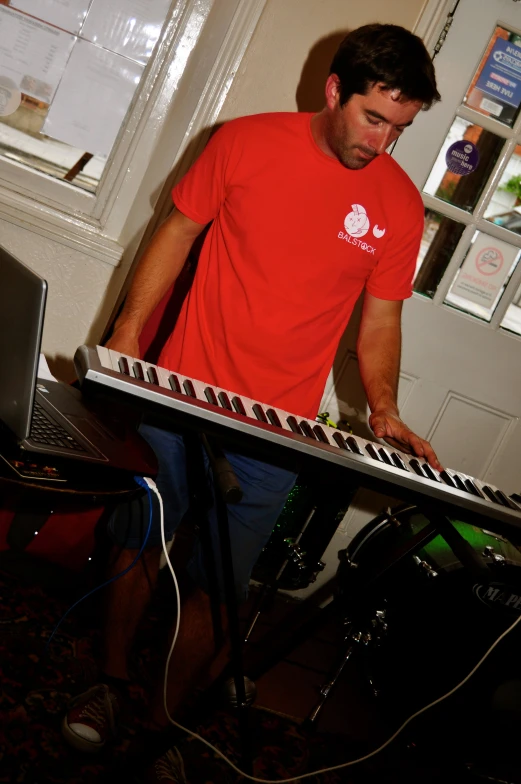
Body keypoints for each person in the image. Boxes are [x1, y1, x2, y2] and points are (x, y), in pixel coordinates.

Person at [62, 22, 441, 781]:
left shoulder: (398, 209)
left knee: (215, 587)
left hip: (276, 429)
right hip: (180, 393)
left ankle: (170, 727)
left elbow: (380, 320)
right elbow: (175, 231)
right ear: (335, 91)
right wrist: (130, 334)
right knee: (140, 547)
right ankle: (108, 685)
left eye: (399, 129)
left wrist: (385, 406)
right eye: (373, 118)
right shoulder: (242, 142)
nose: (382, 144)